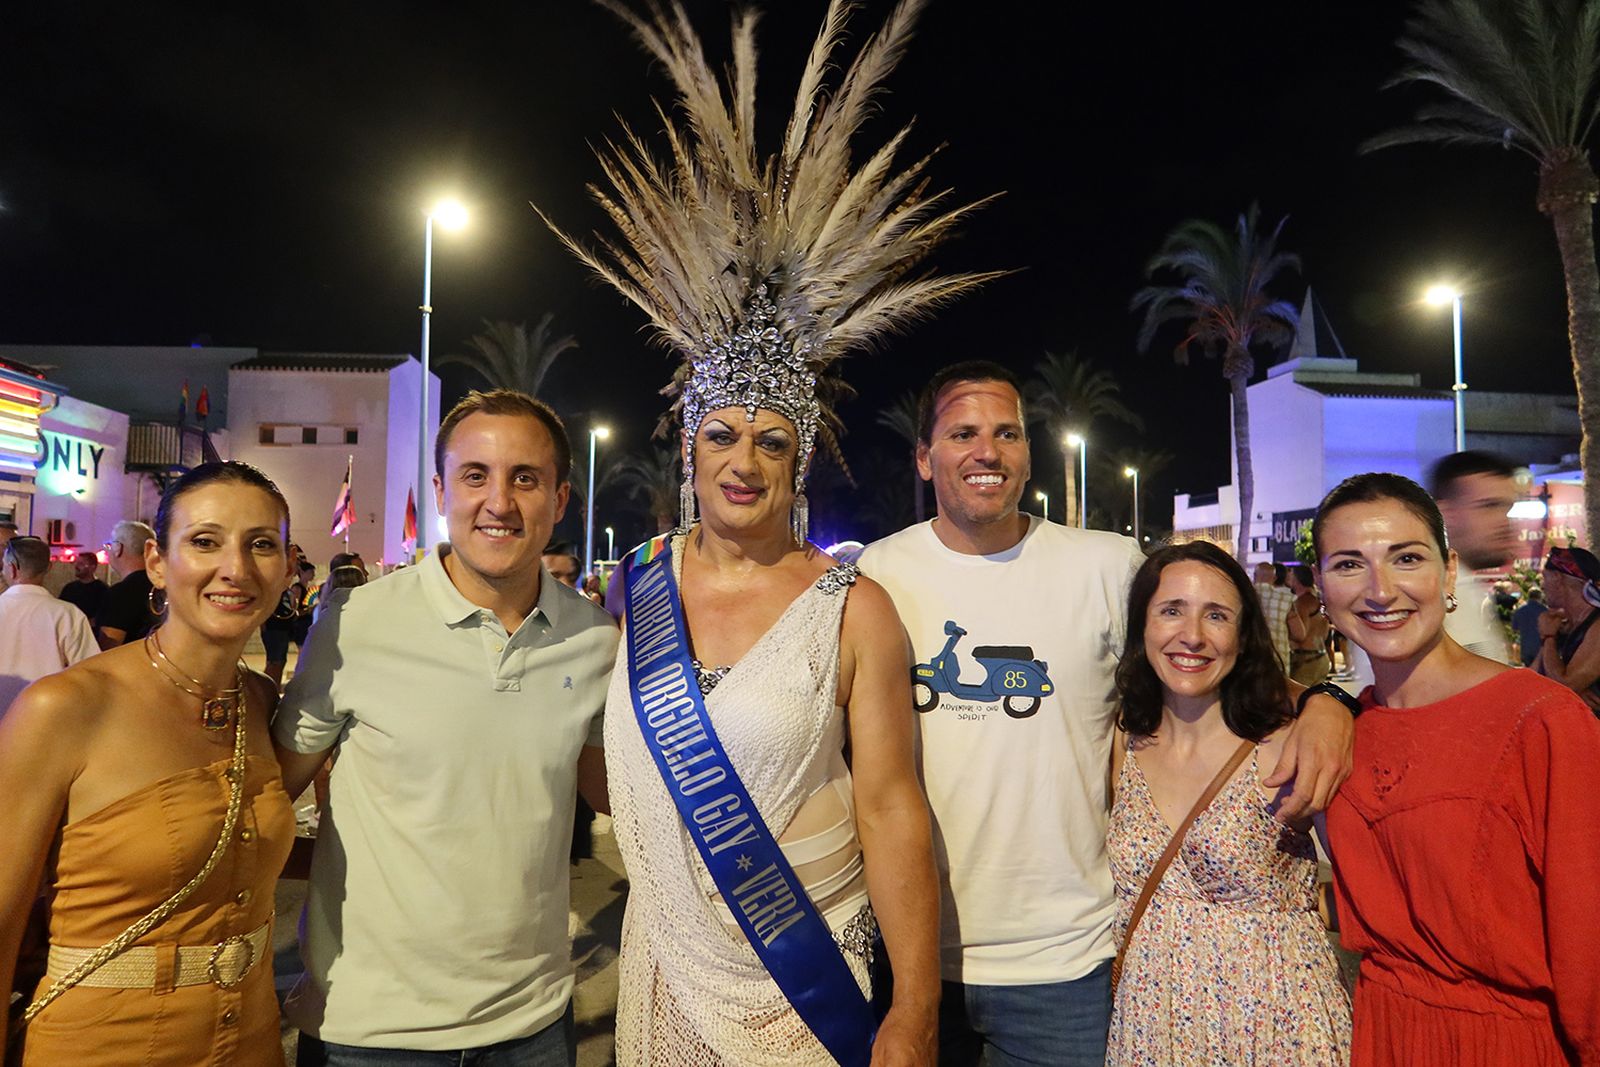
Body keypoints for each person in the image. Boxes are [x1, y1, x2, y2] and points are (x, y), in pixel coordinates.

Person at [858, 361, 1355, 1066]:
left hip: (1066, 966)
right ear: (923, 455)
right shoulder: (877, 575)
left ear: (1028, 451)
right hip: (911, 963)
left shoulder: (1106, 564)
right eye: (962, 432)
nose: (986, 452)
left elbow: (1214, 658)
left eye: (1007, 432)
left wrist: (1329, 701)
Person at [272, 390, 618, 1065]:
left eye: (526, 477)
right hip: (369, 1033)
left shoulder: (594, 638)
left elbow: (614, 797)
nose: (500, 500)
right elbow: (271, 791)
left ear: (561, 496)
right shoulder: (356, 621)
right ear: (440, 489)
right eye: (475, 475)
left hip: (535, 1026)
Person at [0, 462, 297, 1065]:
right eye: (206, 541)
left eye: (261, 544)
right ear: (158, 561)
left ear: (288, 567)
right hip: (100, 1043)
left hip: (252, 1041)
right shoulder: (66, 707)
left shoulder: (261, 705)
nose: (235, 569)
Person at [1315, 472, 1600, 1065]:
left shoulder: (1542, 720)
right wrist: (1325, 699)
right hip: (1383, 1032)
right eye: (1348, 564)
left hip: (1505, 1044)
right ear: (1320, 587)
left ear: (1447, 572)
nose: (1380, 589)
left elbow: (1588, 941)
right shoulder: (1343, 729)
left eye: (1406, 558)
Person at [1106, 541, 1351, 1064]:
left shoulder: (1285, 745)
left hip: (1274, 1024)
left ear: (1242, 637)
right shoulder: (1123, 742)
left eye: (1216, 615)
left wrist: (1290, 911)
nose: (1191, 635)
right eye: (1171, 610)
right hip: (1152, 1030)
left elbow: (1373, 890)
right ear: (1142, 626)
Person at [1429, 451, 1518, 664]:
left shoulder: (1464, 589)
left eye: (1507, 509)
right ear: (1444, 513)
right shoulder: (1426, 601)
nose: (1504, 523)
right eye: (1489, 506)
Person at [0, 537, 99, 712]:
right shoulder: (68, 614)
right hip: (46, 715)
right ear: (49, 567)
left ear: (12, 569)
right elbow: (90, 672)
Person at [1533, 545, 1600, 712]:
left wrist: (1548, 637)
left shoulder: (1597, 627)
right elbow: (1533, 677)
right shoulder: (1566, 626)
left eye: (1545, 578)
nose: (1543, 586)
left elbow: (1565, 684)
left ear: (1557, 578)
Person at [95, 519, 159, 647]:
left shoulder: (121, 594)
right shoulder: (163, 586)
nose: (109, 551)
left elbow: (109, 648)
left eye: (110, 545)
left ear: (118, 548)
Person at [1285, 564, 1330, 685]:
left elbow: (1300, 635)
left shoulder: (1302, 603)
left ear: (1297, 579)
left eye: (1291, 576)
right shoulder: (1319, 601)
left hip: (1306, 660)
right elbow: (1325, 632)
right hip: (1321, 656)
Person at [1252, 560, 1295, 672]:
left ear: (1255, 576)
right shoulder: (1287, 599)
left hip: (1250, 662)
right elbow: (1299, 633)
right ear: (1274, 578)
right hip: (1279, 660)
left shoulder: (1242, 596)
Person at [57, 553, 111, 622]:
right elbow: (61, 609)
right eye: (76, 563)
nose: (76, 566)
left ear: (92, 567)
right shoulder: (69, 588)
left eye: (81, 564)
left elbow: (104, 616)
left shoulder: (102, 590)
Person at [1511, 586, 1548, 667]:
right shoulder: (1544, 611)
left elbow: (1515, 628)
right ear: (1540, 597)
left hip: (1525, 647)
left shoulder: (1519, 611)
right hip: (1540, 647)